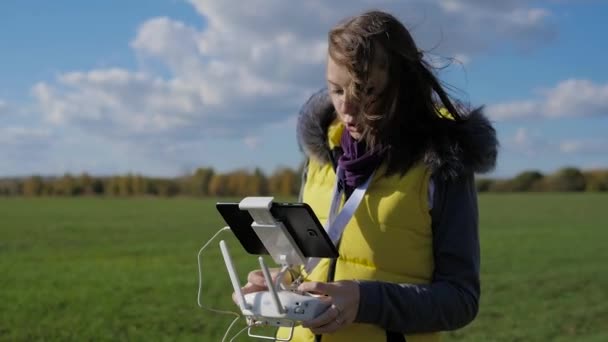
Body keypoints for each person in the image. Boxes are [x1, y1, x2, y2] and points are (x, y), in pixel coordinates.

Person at [239, 10, 498, 342]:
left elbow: (460, 301)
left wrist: (365, 300)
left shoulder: (440, 167)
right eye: (336, 90)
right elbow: (311, 268)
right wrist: (281, 286)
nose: (346, 107)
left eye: (366, 91)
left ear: (401, 86)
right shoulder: (319, 159)